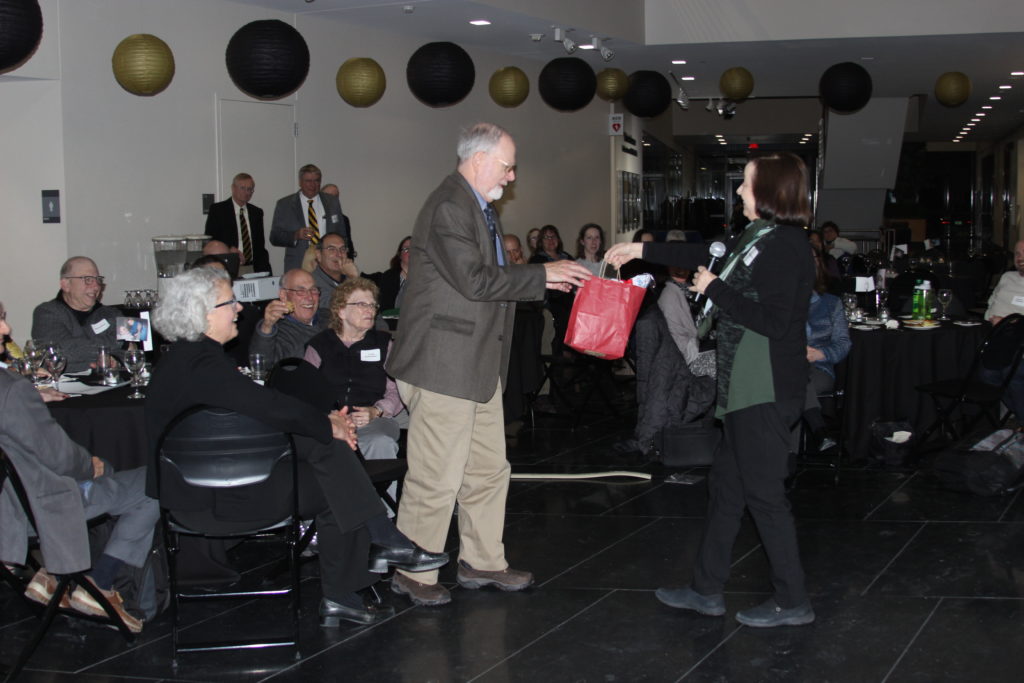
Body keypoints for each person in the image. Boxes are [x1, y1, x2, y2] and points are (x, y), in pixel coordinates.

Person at [145, 267, 448, 627]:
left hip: (199, 490)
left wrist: (329, 428)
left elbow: (264, 410)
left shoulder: (184, 359)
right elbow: (269, 408)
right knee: (337, 482)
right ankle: (362, 564)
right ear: (204, 312)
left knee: (331, 457)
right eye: (231, 302)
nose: (240, 308)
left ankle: (373, 551)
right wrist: (330, 424)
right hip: (215, 499)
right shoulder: (204, 365)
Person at [607, 152, 817, 628]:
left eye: (746, 184)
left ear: (770, 192)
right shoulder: (754, 236)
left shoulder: (786, 244)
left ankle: (794, 600)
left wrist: (717, 289)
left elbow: (777, 323)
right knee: (726, 489)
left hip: (763, 388)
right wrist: (640, 250)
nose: (739, 191)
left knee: (764, 497)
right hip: (743, 386)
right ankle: (706, 590)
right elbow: (701, 252)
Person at [385, 123, 590, 606]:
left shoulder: (477, 206)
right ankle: (414, 571)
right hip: (443, 365)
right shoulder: (450, 206)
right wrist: (542, 273)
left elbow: (487, 282)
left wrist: (541, 278)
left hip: (472, 365)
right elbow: (475, 281)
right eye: (506, 164)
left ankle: (482, 561)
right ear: (478, 159)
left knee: (487, 470)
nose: (512, 174)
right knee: (436, 474)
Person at [1, 300, 159, 634]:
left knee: (114, 472)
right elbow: (59, 458)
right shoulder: (11, 392)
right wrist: (90, 466)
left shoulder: (12, 388)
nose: (6, 330)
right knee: (152, 485)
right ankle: (99, 583)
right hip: (30, 510)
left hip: (8, 506)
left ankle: (55, 575)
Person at [305, 278, 401, 501]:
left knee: (379, 442)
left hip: (374, 419)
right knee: (317, 445)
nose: (370, 310)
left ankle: (384, 517)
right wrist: (329, 418)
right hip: (330, 421)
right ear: (341, 311)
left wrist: (375, 411)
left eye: (372, 305)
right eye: (361, 304)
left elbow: (396, 390)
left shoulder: (384, 343)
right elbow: (306, 391)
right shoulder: (320, 345)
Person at [800, 249, 851, 451]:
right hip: (785, 367)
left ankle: (790, 458)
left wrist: (821, 354)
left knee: (795, 381)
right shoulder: (780, 303)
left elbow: (843, 343)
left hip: (819, 367)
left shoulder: (831, 303)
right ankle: (819, 430)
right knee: (793, 376)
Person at [31, 257, 120, 373]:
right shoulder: (46, 312)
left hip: (111, 386)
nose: (96, 286)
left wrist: (116, 359)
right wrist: (120, 343)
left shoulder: (112, 314)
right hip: (62, 388)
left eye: (98, 279)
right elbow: (62, 351)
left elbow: (132, 354)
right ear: (66, 284)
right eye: (88, 279)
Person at [270, 164, 351, 273]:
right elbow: (274, 237)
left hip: (330, 264)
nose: (313, 185)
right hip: (299, 264)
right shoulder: (285, 204)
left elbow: (342, 234)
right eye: (308, 181)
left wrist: (342, 257)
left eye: (316, 181)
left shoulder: (332, 201)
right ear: (300, 182)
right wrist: (296, 235)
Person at [981, 239, 1024, 419]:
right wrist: (992, 318)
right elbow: (991, 304)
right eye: (1018, 254)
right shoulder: (1008, 277)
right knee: (987, 375)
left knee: (1011, 371)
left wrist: (1009, 323)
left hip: (1020, 342)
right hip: (997, 338)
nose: (1021, 258)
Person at [248, 269, 327, 367]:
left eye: (313, 290)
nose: (310, 297)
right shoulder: (280, 331)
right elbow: (261, 365)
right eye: (300, 291)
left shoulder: (330, 318)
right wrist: (267, 326)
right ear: (284, 295)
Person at [203, 173, 271, 275]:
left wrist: (266, 269)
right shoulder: (218, 210)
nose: (246, 192)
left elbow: (260, 244)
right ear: (233, 188)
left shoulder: (256, 212)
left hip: (254, 267)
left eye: (250, 189)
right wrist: (228, 249)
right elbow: (210, 239)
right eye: (243, 188)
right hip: (229, 265)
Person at [529, 225, 575, 355]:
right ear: (541, 241)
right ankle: (562, 354)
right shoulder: (536, 260)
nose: (550, 240)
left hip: (570, 298)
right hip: (549, 301)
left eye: (553, 236)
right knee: (562, 316)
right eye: (546, 237)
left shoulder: (567, 257)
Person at [311, 233, 359, 315]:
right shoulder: (311, 282)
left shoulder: (348, 277)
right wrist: (354, 279)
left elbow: (371, 305)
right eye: (331, 249)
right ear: (319, 255)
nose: (339, 254)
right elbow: (336, 307)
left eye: (342, 249)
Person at [363, 236, 411, 311]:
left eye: (415, 249)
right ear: (400, 255)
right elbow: (386, 310)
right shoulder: (389, 277)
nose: (411, 252)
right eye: (406, 249)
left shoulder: (428, 276)